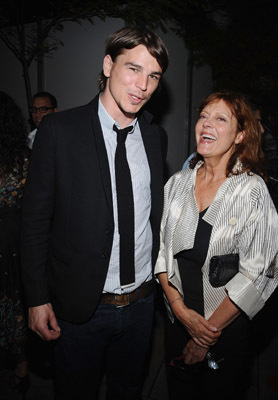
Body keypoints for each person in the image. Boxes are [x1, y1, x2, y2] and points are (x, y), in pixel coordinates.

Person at [21, 26, 169, 400]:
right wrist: (37, 299)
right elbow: (35, 222)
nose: (143, 86)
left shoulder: (154, 136)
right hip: (80, 307)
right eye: (133, 69)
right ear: (107, 65)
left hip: (140, 306)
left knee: (128, 391)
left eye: (153, 76)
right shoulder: (59, 130)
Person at [154, 91, 278, 399]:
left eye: (220, 118)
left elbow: (261, 271)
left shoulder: (251, 191)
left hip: (223, 330)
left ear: (240, 135)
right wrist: (180, 311)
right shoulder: (176, 183)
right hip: (178, 321)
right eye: (203, 116)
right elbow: (159, 251)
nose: (206, 124)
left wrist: (203, 337)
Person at [0, 92, 30, 395]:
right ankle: (22, 370)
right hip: (15, 238)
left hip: (11, 240)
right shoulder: (23, 159)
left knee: (13, 301)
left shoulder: (22, 159)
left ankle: (21, 369)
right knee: (15, 302)